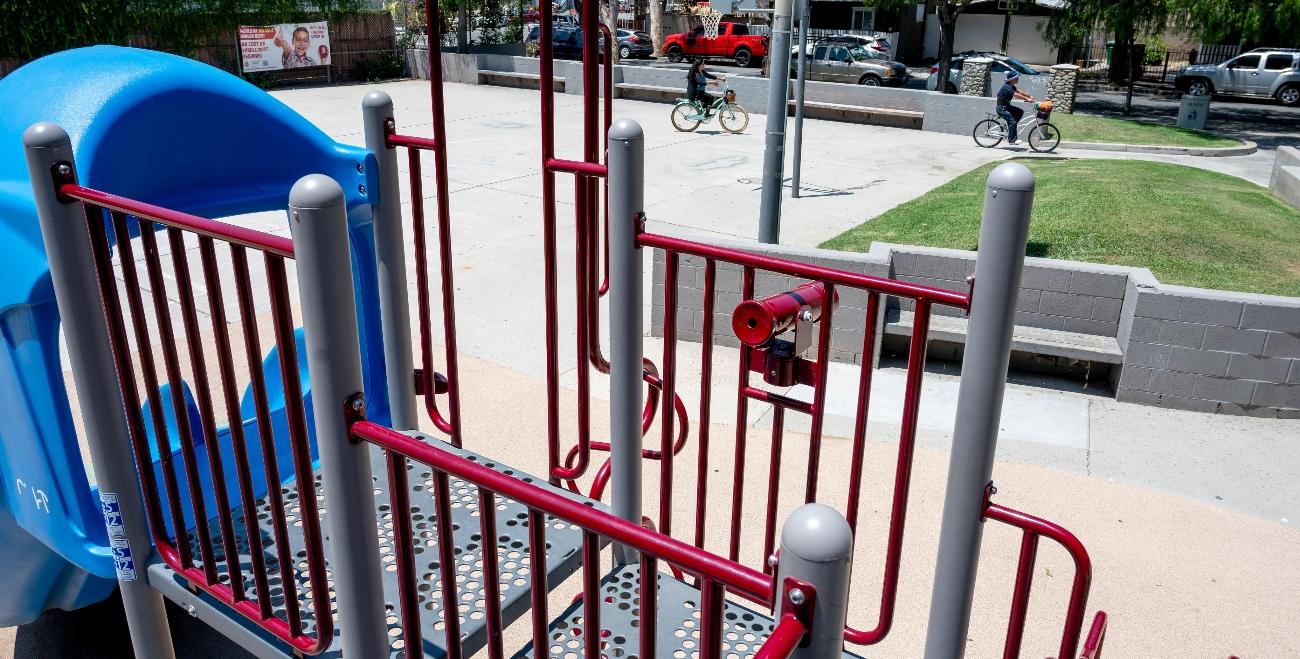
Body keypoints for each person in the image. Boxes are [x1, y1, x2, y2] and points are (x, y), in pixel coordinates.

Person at [995, 70, 1035, 145]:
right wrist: (1027, 99)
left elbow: (1019, 91)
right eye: (1017, 78)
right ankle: (1011, 140)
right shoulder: (1007, 87)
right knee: (1013, 122)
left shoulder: (1011, 85)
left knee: (1019, 112)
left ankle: (1011, 129)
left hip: (1006, 107)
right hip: (1001, 109)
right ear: (1012, 79)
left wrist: (1029, 96)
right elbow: (1016, 95)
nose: (1018, 79)